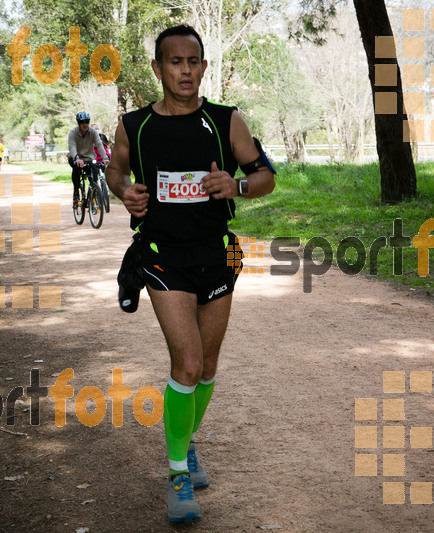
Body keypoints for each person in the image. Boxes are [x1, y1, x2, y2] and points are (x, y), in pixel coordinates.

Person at [106, 25, 275, 523]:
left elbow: (265, 175)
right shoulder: (133, 125)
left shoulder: (226, 121)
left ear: (203, 67)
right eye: (174, 62)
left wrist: (237, 186)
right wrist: (124, 192)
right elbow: (116, 170)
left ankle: (185, 439)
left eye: (193, 61)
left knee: (208, 366)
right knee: (186, 364)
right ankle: (179, 474)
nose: (184, 70)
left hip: (217, 255)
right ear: (158, 69)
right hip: (162, 255)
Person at [68, 111, 108, 206]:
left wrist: (105, 158)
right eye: (82, 122)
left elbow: (99, 145)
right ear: (78, 123)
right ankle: (76, 192)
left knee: (94, 176)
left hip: (88, 158)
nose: (85, 124)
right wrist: (77, 158)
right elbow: (72, 147)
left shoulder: (93, 132)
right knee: (76, 169)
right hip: (75, 157)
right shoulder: (73, 133)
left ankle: (93, 194)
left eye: (87, 122)